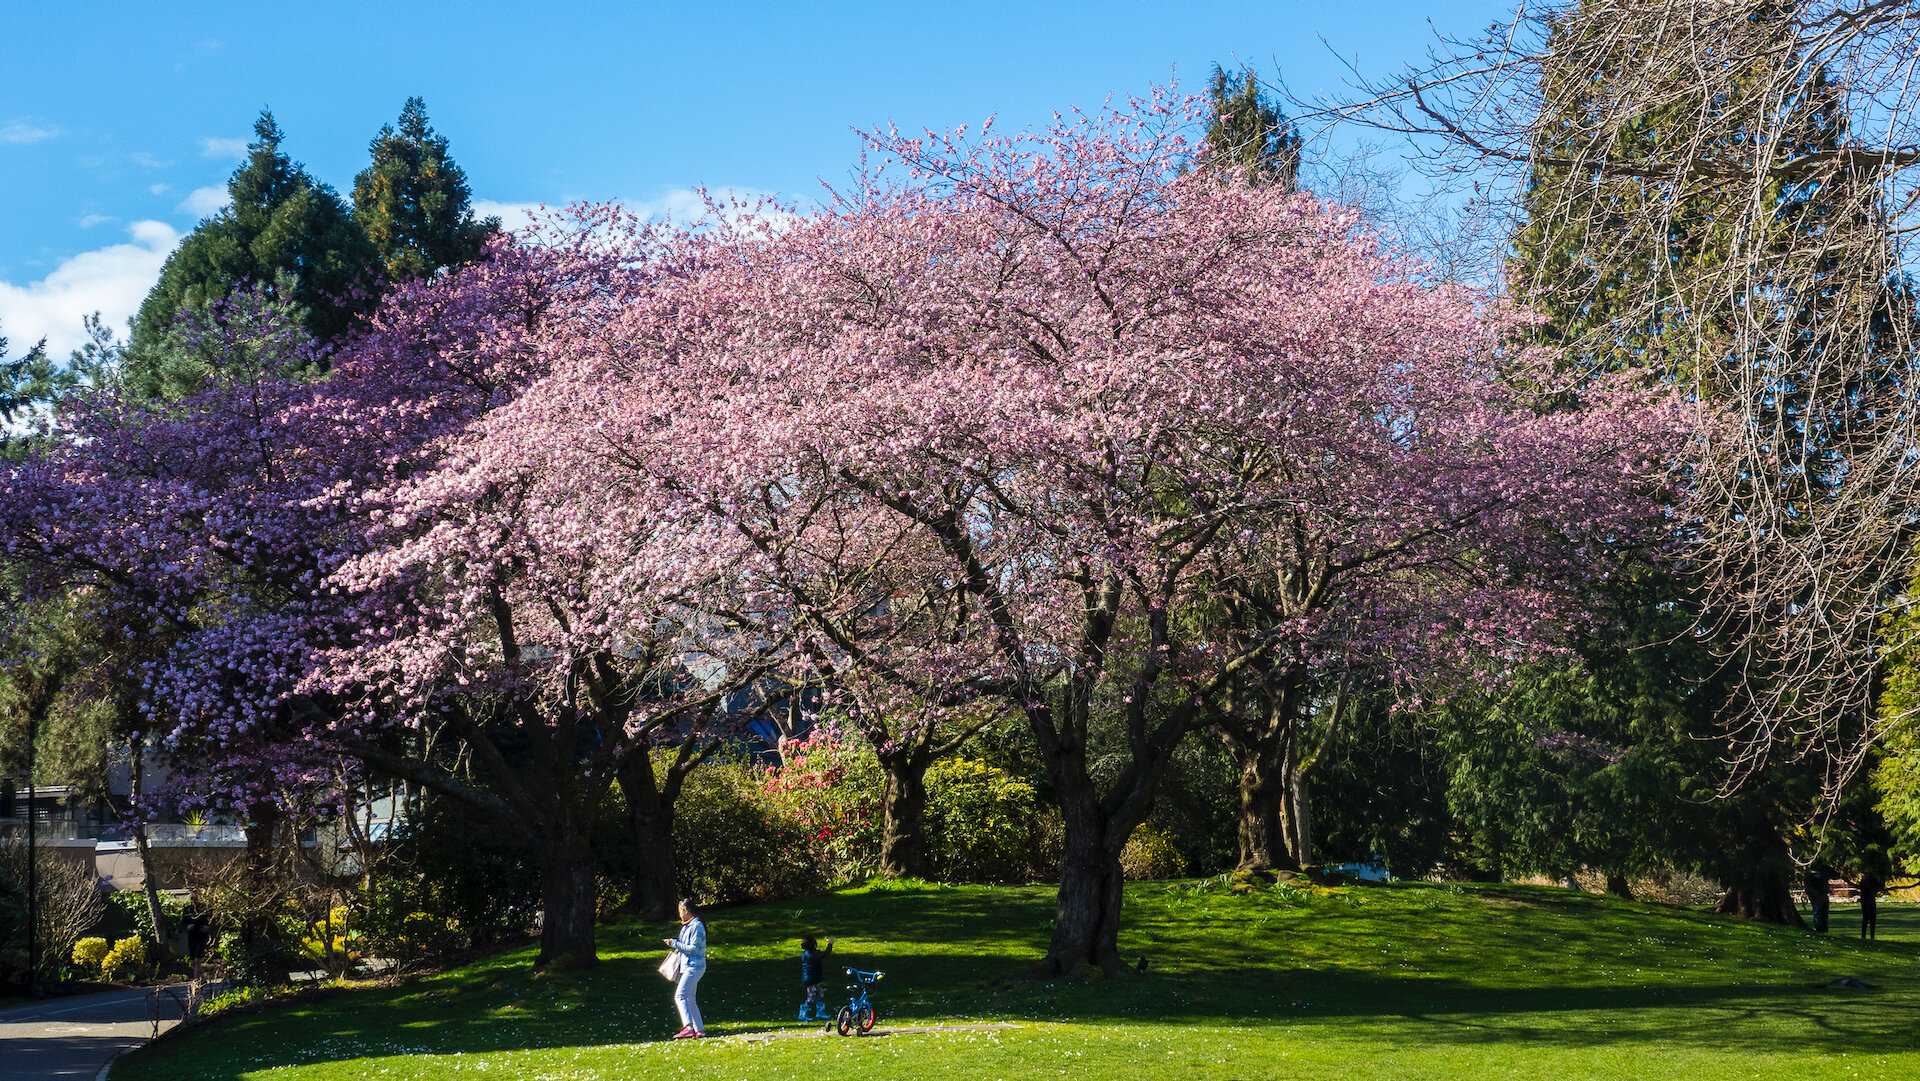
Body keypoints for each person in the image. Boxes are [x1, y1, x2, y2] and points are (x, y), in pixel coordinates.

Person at [662, 898, 707, 1038]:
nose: (679, 914)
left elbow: (693, 949)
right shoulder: (687, 926)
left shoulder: (697, 926)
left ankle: (688, 1027)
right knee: (689, 998)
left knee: (680, 996)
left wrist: (674, 943)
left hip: (694, 967)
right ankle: (699, 1030)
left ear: (685, 911)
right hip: (687, 966)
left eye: (680, 911)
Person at [797, 934, 835, 1021]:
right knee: (811, 996)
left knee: (819, 993)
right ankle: (802, 1014)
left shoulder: (805, 954)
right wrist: (830, 944)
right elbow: (825, 954)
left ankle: (820, 1013)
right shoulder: (812, 954)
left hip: (810, 978)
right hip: (811, 979)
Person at [1859, 873, 1882, 941]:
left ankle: (1871, 936)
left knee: (1872, 917)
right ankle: (1864, 936)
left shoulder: (1872, 878)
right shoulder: (1865, 880)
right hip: (1865, 898)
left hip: (1870, 898)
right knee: (1866, 917)